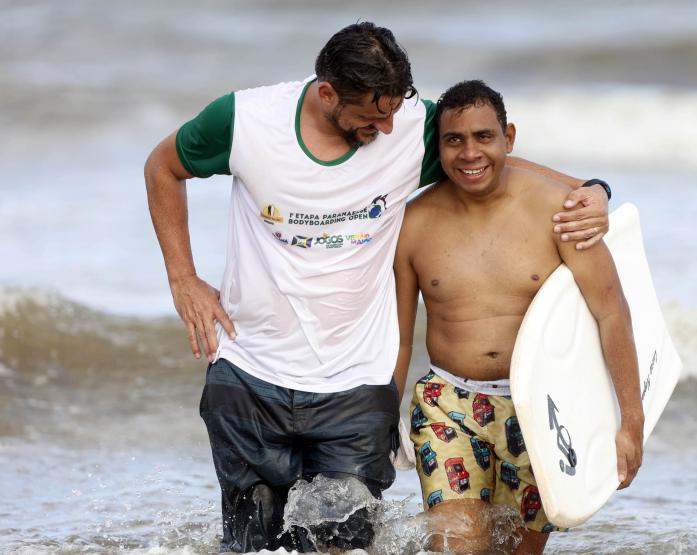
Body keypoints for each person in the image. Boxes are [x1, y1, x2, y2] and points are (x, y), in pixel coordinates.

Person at [144, 22, 612, 552]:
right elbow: (163, 167)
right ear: (327, 94)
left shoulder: (408, 125)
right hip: (250, 375)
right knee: (253, 545)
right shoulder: (245, 120)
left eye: (393, 111)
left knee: (342, 545)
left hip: (357, 387)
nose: (388, 128)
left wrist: (590, 188)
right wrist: (183, 278)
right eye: (372, 117)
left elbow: (489, 157)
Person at [394, 80, 644, 555]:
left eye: (484, 137)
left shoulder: (561, 213)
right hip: (448, 402)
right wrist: (385, 417)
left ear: (508, 138)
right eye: (454, 140)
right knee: (456, 545)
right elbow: (399, 339)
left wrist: (631, 422)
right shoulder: (414, 223)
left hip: (543, 409)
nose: (470, 153)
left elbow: (611, 312)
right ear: (438, 148)